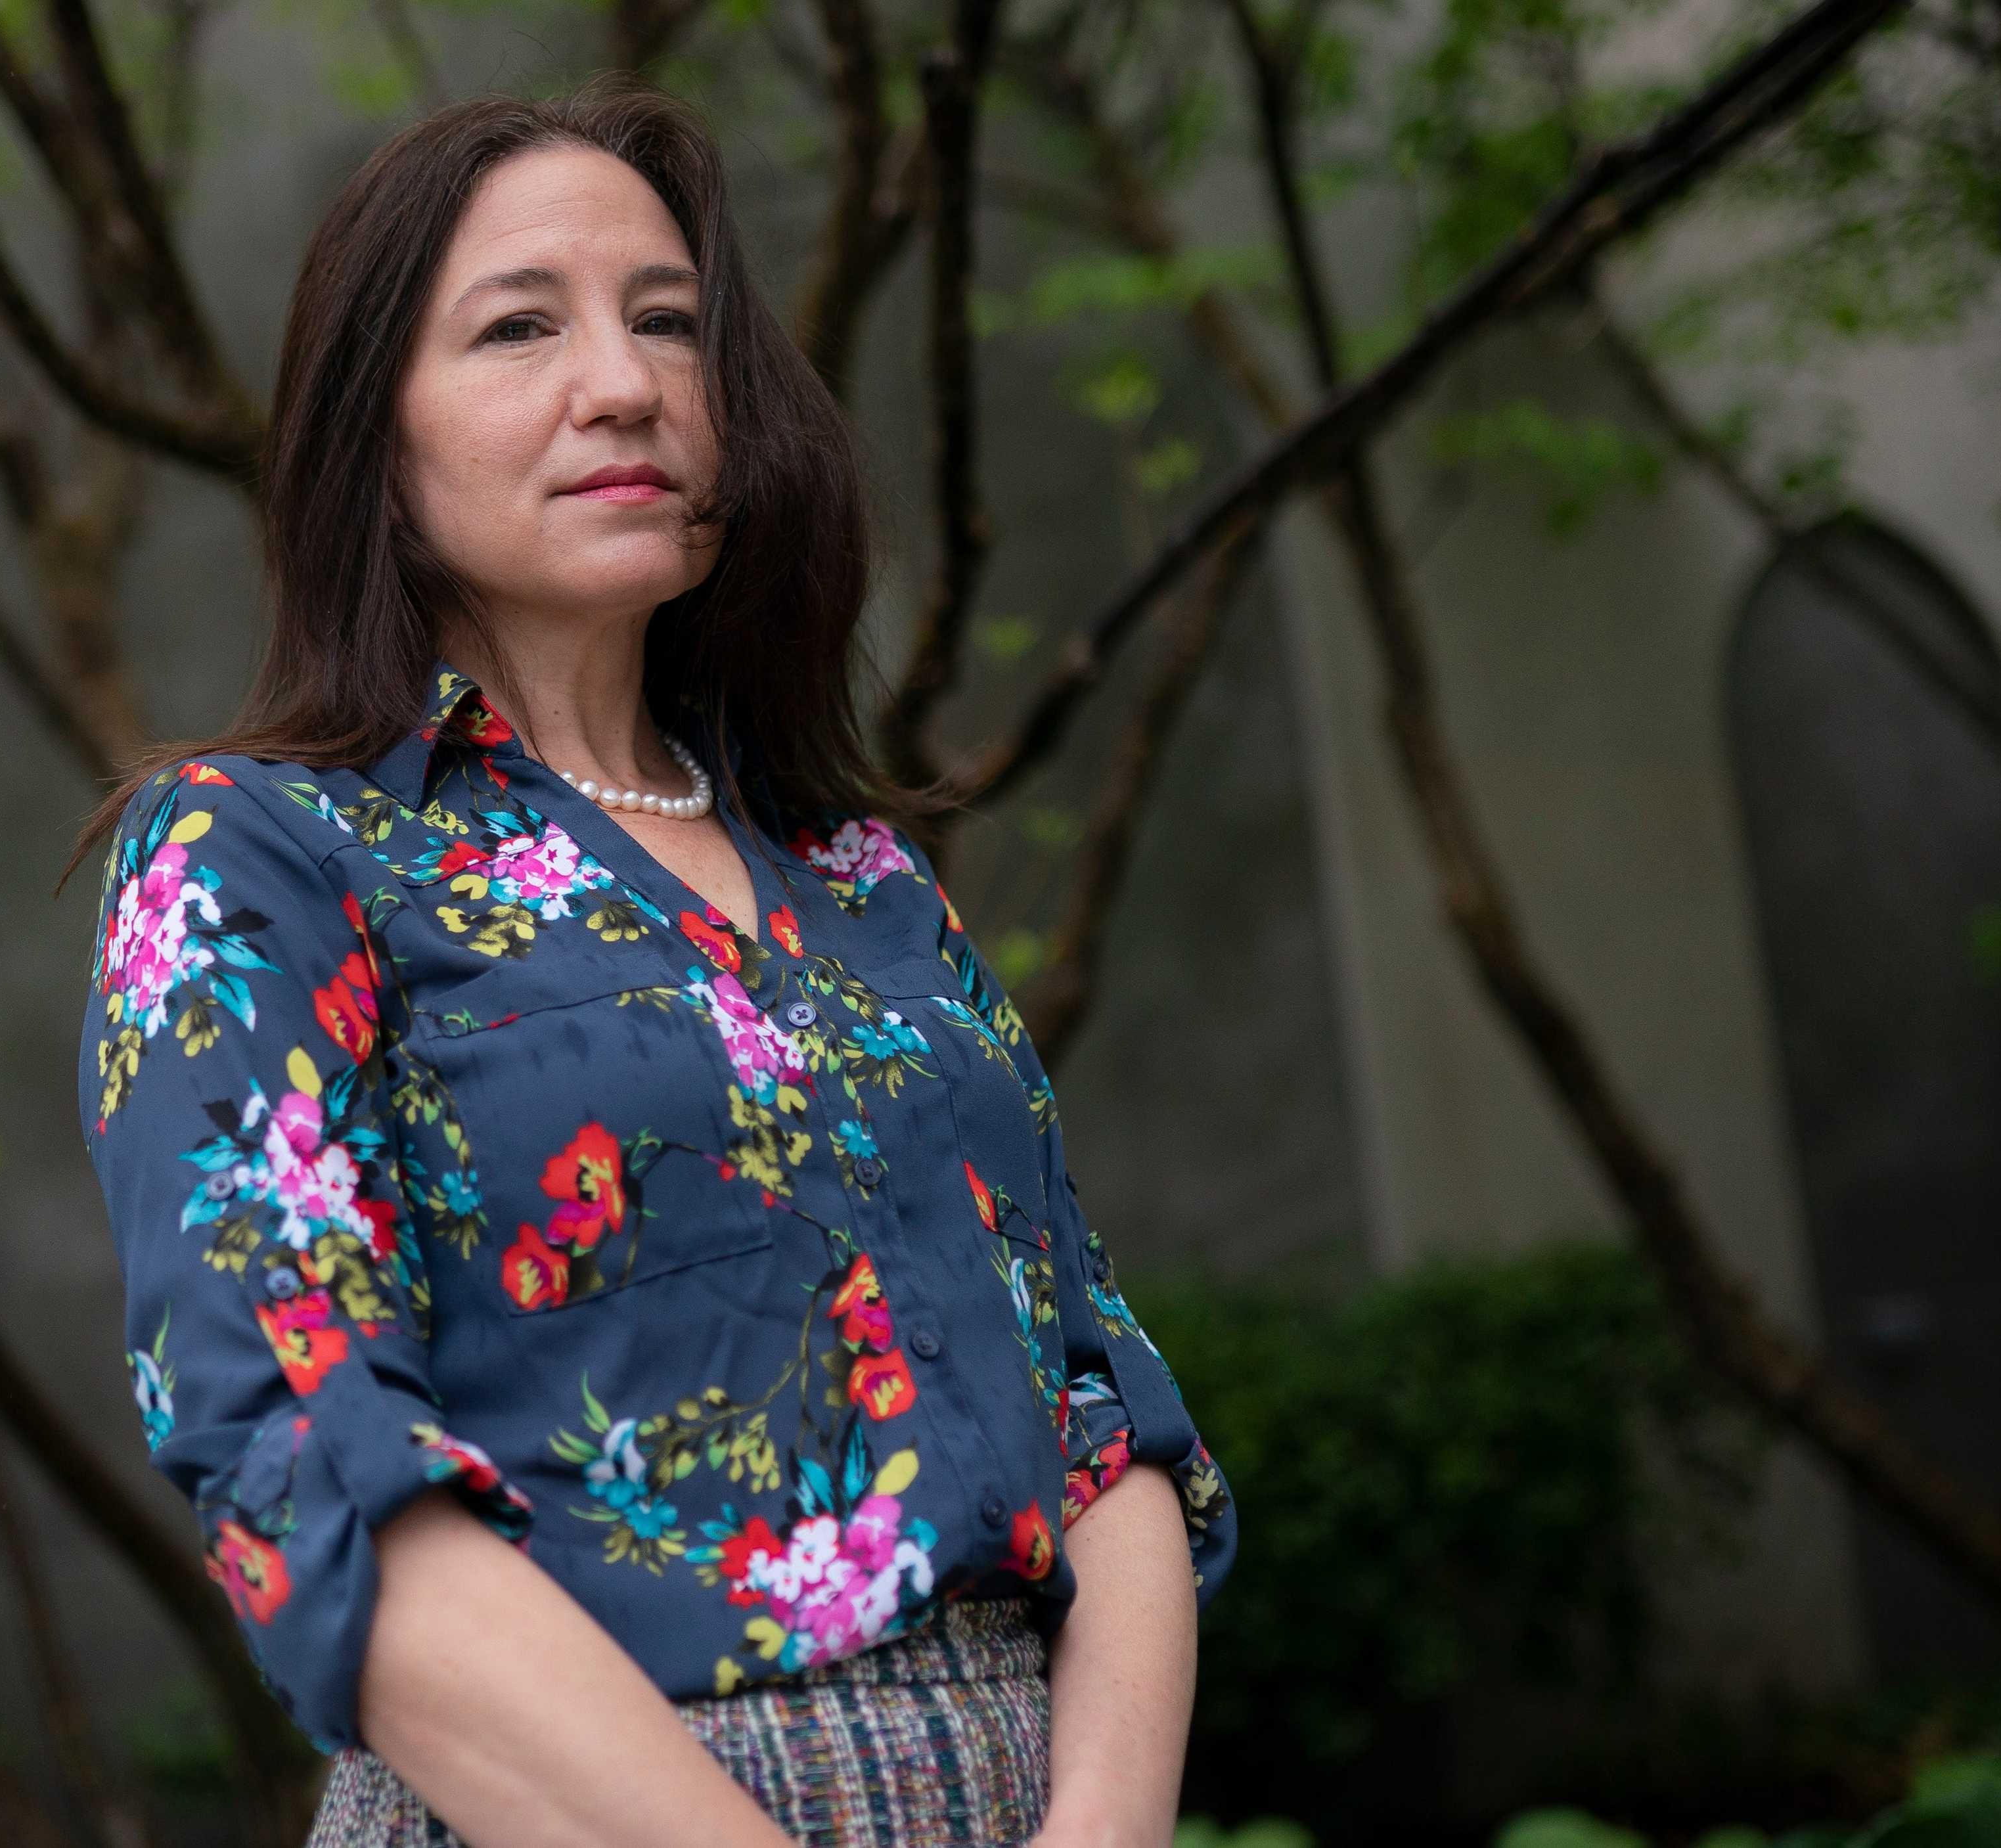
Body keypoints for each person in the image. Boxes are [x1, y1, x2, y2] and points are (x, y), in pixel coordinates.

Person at [70, 77, 1234, 1848]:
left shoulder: (857, 879)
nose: (624, 383)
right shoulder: (263, 856)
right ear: (373, 439)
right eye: (519, 327)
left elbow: (1098, 1403)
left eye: (669, 322)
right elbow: (310, 1470)